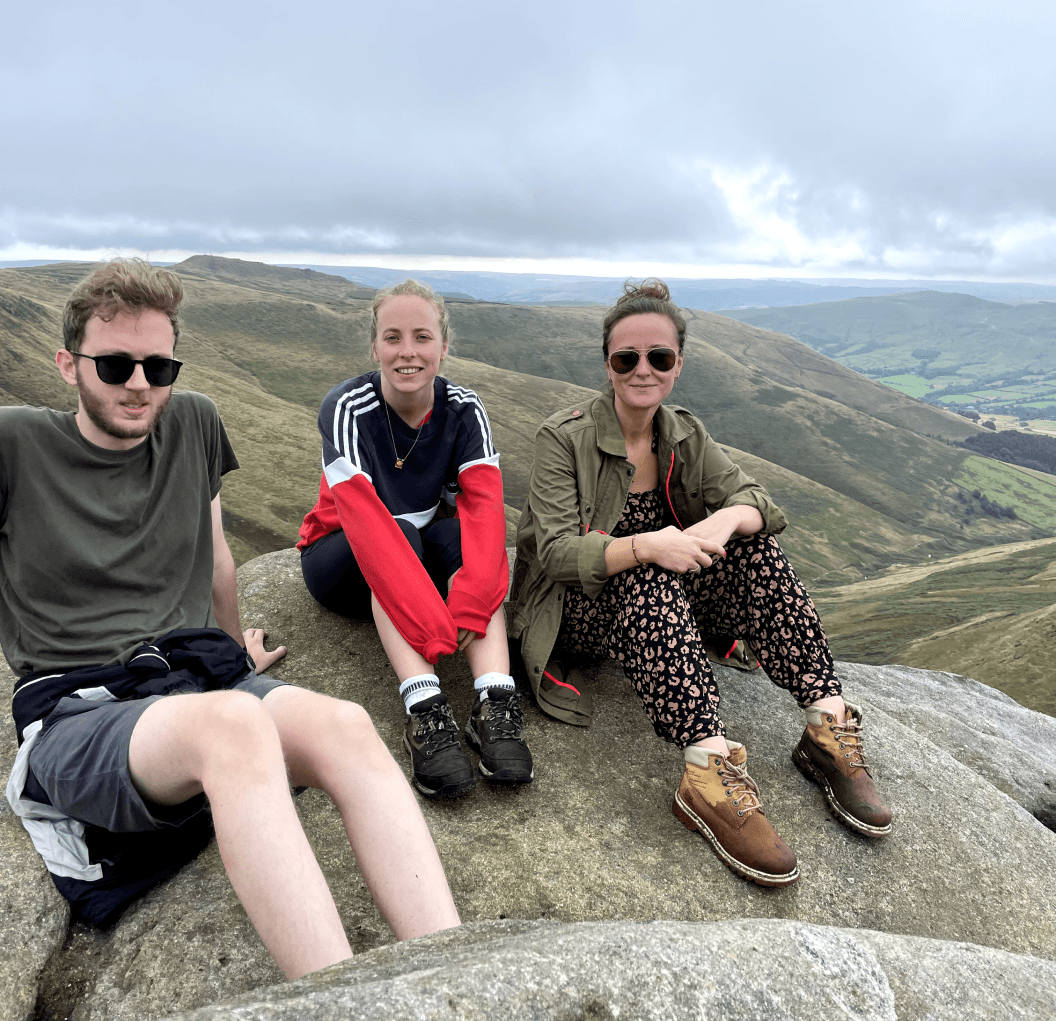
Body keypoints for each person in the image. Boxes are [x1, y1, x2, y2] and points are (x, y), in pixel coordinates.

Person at [1, 259, 460, 980]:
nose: (140, 383)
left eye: (159, 365)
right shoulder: (16, 443)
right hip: (77, 711)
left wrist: (232, 655)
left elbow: (217, 557)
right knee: (235, 726)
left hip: (187, 684)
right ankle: (336, 997)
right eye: (116, 363)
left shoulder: (193, 421)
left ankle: (452, 976)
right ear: (68, 364)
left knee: (345, 723)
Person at [510, 278, 892, 887]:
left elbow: (759, 503)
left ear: (677, 364)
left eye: (658, 357)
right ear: (607, 364)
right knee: (649, 576)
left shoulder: (682, 433)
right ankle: (705, 771)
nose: (642, 369)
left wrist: (717, 524)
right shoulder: (564, 437)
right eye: (626, 357)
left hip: (662, 605)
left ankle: (826, 724)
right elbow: (555, 554)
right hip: (577, 609)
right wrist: (650, 544)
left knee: (757, 552)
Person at [299, 279, 532, 800]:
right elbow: (367, 527)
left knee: (459, 538)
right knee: (399, 530)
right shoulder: (346, 407)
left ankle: (495, 702)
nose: (408, 352)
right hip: (343, 558)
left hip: (417, 556)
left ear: (443, 348)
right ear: (375, 346)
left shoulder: (465, 409)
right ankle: (425, 709)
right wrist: (433, 624)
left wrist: (471, 603)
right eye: (393, 337)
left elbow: (486, 516)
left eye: (422, 337)